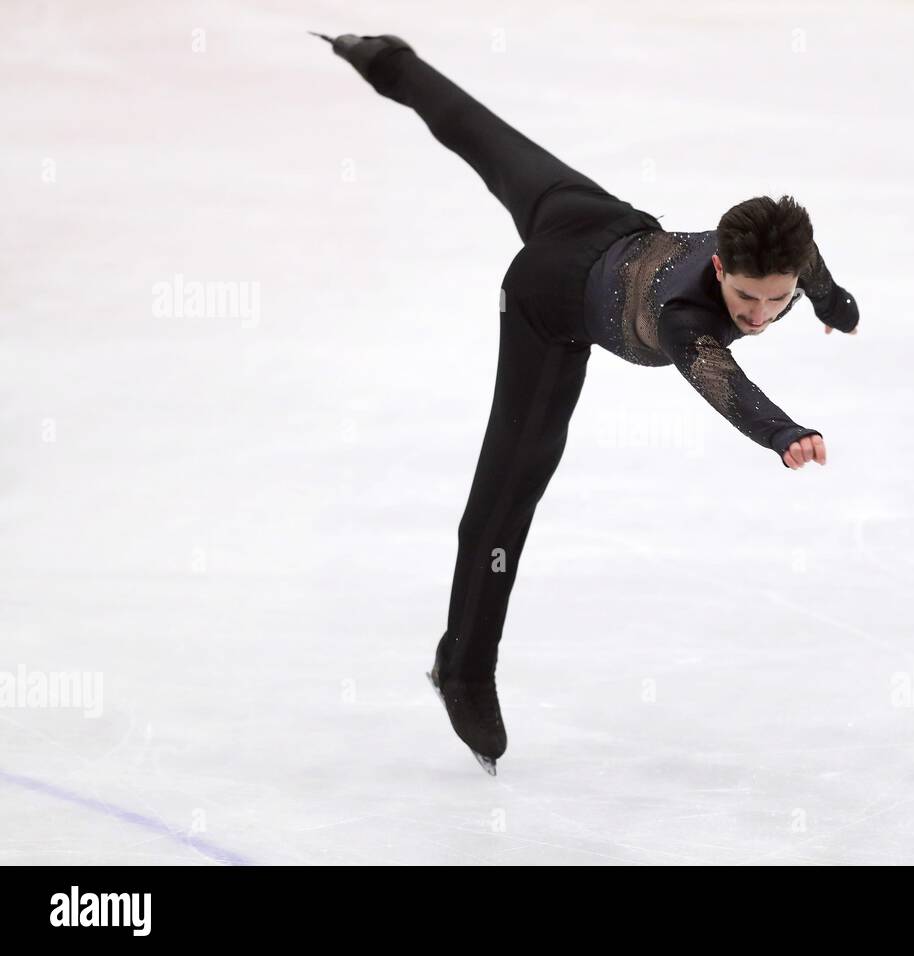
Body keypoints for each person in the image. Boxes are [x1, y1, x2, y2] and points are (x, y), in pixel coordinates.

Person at [316, 33, 860, 774]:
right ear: (721, 267)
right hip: (552, 302)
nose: (760, 315)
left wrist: (836, 304)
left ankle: (380, 56)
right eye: (745, 298)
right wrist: (783, 432)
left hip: (597, 219)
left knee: (481, 133)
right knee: (510, 488)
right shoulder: (686, 320)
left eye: (778, 298)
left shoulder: (788, 264)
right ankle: (464, 669)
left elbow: (817, 272)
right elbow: (722, 383)